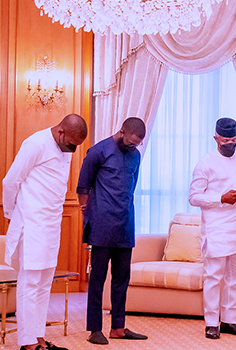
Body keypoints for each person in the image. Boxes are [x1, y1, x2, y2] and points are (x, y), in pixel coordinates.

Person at [2, 114, 87, 350]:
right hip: (31, 225)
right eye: (71, 143)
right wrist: (12, 214)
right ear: (61, 132)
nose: (72, 149)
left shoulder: (66, 148)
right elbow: (10, 182)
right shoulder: (35, 143)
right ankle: (27, 343)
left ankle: (39, 338)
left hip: (52, 226)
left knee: (44, 285)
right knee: (30, 283)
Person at [77, 117, 148, 345]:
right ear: (121, 132)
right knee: (97, 279)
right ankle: (95, 329)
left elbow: (131, 186)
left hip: (125, 225)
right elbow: (83, 186)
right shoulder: (98, 151)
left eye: (137, 144)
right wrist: (87, 212)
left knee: (121, 279)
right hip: (101, 224)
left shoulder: (135, 156)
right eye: (130, 142)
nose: (133, 147)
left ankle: (118, 327)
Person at [189, 117, 236, 340]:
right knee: (214, 276)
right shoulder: (205, 163)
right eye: (225, 140)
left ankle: (230, 320)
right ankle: (211, 322)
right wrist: (220, 199)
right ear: (216, 138)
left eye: (233, 140)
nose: (229, 144)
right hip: (217, 227)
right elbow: (194, 197)